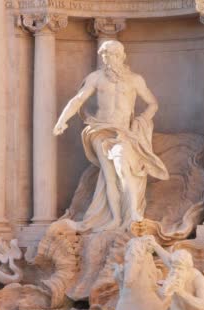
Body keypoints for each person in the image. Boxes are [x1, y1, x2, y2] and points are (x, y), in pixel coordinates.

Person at [53, 40, 169, 231]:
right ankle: (115, 218)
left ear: (121, 56)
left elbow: (152, 103)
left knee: (122, 165)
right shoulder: (96, 78)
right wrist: (62, 120)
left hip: (123, 131)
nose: (108, 59)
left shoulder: (135, 79)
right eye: (105, 55)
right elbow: (78, 99)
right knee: (109, 175)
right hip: (99, 129)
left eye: (112, 55)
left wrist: (141, 121)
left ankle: (133, 212)